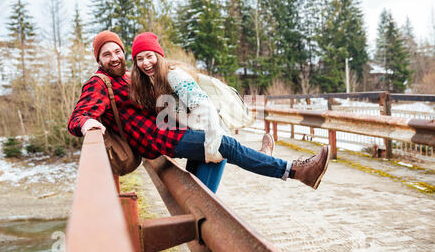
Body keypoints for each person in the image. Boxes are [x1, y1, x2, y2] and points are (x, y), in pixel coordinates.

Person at [68, 31, 329, 190]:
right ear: (98, 60)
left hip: (169, 131)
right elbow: (80, 113)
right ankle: (294, 170)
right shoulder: (99, 82)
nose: (113, 57)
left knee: (217, 152)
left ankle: (201, 211)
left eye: (117, 51)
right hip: (160, 138)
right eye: (106, 54)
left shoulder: (129, 77)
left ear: (124, 54)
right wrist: (85, 123)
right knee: (223, 145)